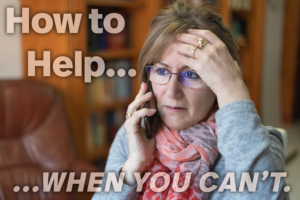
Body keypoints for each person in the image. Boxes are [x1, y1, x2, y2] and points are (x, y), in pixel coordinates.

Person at [92, 1, 290, 199]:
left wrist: (233, 89)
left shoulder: (259, 143)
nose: (172, 91)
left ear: (219, 83)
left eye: (192, 74)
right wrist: (134, 164)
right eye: (161, 71)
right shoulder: (137, 133)